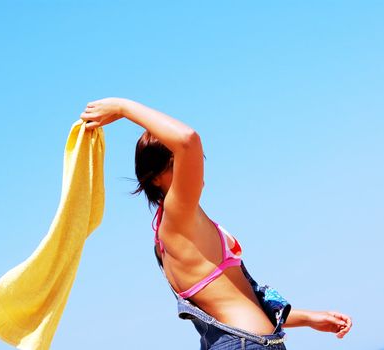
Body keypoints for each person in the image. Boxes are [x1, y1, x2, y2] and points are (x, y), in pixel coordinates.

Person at [80, 97, 352, 349]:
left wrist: (308, 319)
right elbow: (188, 140)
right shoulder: (177, 218)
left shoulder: (174, 232)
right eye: (176, 162)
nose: (192, 165)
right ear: (154, 178)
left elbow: (237, 301)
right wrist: (121, 107)